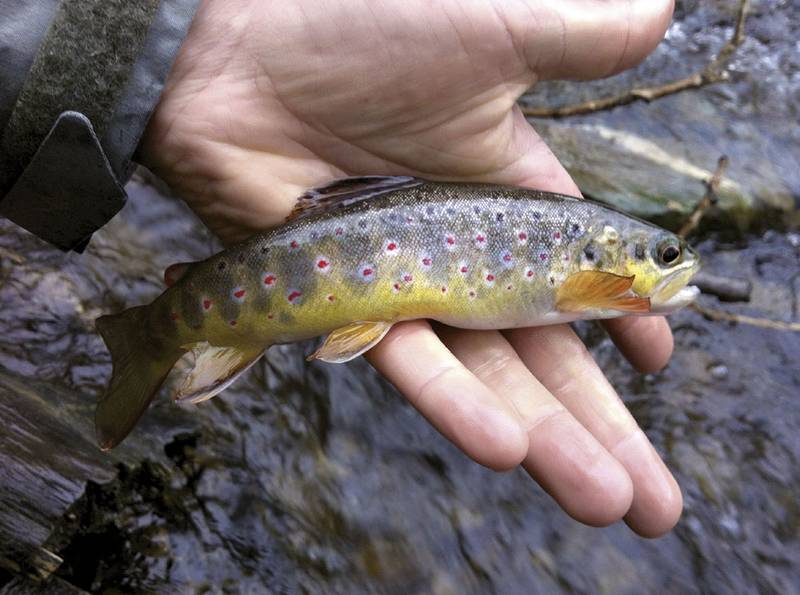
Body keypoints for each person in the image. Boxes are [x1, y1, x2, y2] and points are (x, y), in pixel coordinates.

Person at [0, 0, 681, 537]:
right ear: (618, 260)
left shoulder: (604, 276)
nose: (669, 269)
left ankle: (152, 332)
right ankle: (148, 335)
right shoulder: (606, 279)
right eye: (664, 257)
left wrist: (188, 43)